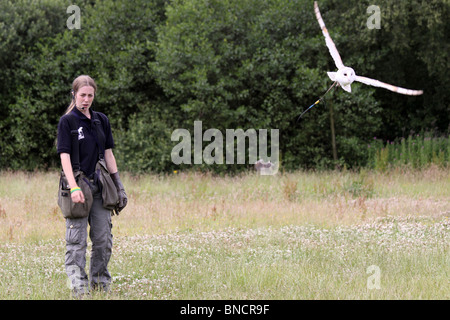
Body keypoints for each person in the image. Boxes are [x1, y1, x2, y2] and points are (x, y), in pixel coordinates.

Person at [57, 75, 127, 297]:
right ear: (74, 95)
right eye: (82, 95)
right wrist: (73, 187)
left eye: (90, 95)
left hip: (101, 188)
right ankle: (79, 287)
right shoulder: (67, 122)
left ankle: (100, 283)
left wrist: (119, 185)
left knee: (103, 239)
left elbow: (108, 154)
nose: (86, 100)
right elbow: (64, 157)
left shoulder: (101, 120)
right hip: (77, 188)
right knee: (76, 241)